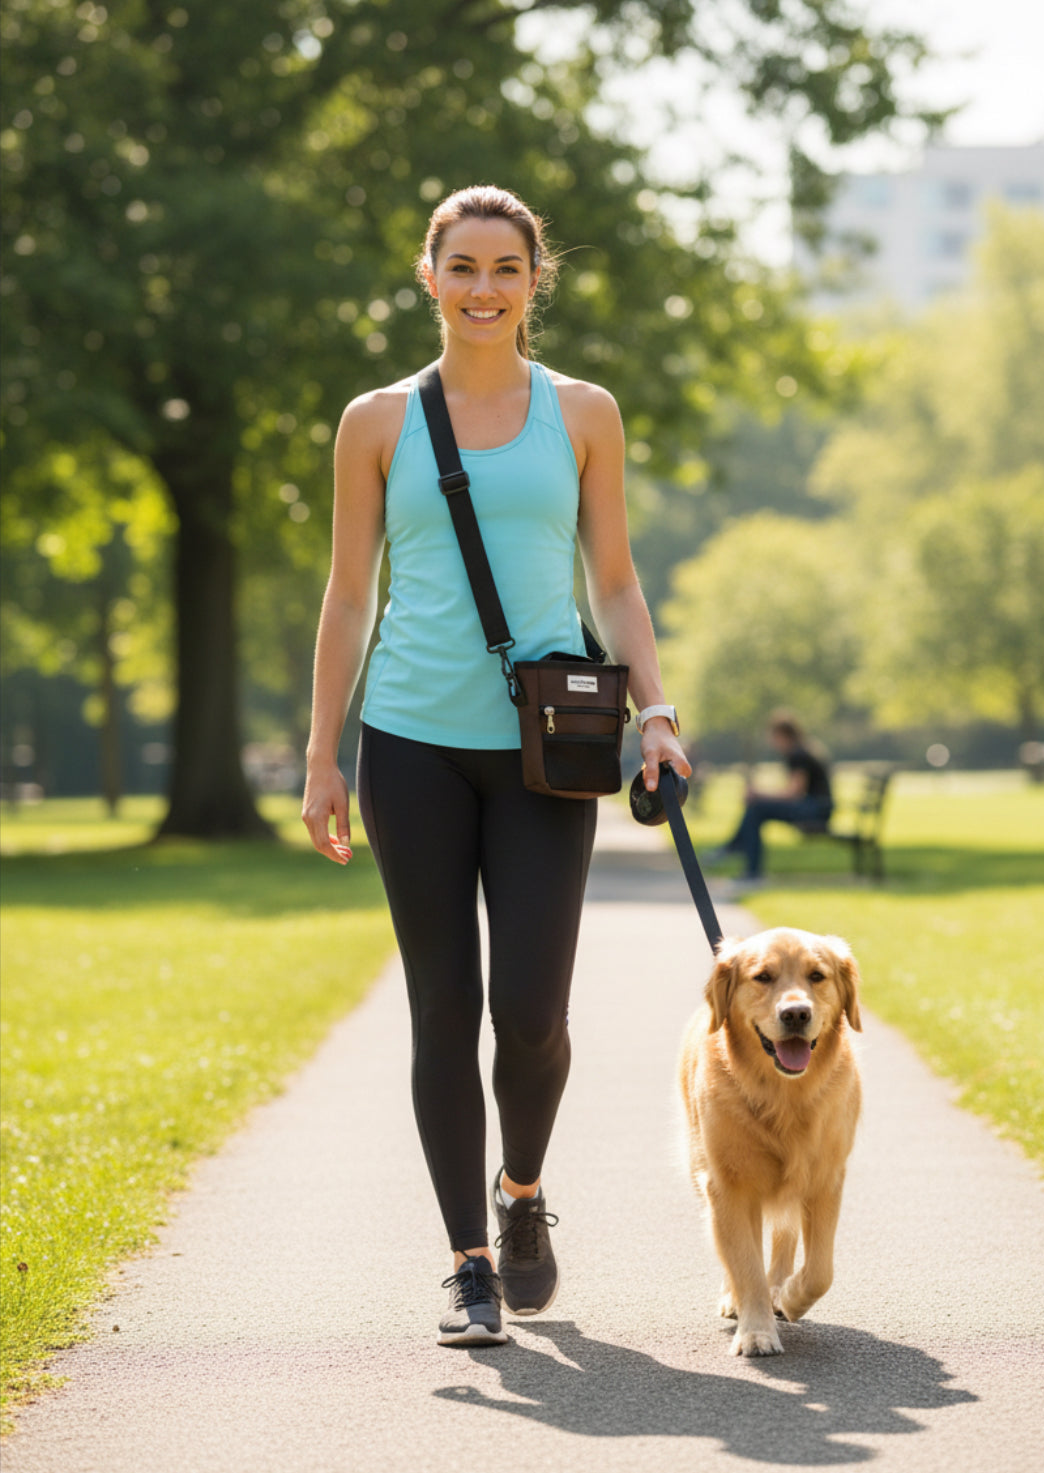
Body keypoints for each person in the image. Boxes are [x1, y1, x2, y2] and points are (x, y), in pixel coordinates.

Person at [301, 185, 689, 1349]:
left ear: (534, 280)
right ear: (429, 275)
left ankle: (522, 1193)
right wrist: (323, 752)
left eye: (505, 269)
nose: (483, 289)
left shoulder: (582, 413)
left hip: (547, 749)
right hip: (410, 745)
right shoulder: (375, 422)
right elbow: (348, 593)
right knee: (442, 1009)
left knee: (530, 1013)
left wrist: (658, 711)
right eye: (461, 266)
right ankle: (468, 1264)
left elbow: (613, 579)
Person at [713, 714, 832, 879]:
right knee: (757, 807)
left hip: (815, 810)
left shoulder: (798, 755)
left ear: (783, 735)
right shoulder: (802, 751)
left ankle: (740, 853)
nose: (772, 742)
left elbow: (794, 793)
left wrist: (759, 794)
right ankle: (737, 848)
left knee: (757, 808)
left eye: (773, 737)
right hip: (816, 807)